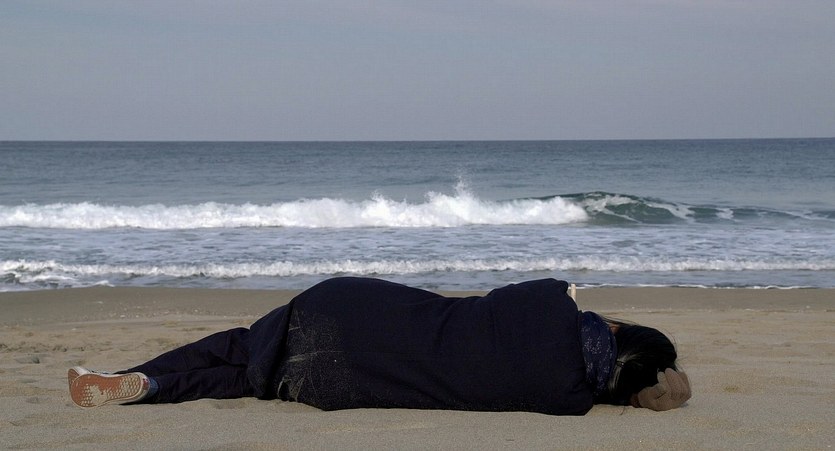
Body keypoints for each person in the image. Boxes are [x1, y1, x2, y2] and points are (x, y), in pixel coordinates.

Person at [68, 277, 691, 415]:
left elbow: (524, 300)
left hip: (348, 313)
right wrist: (643, 387)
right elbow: (605, 384)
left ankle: (137, 378)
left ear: (618, 330)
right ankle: (153, 388)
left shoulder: (552, 301)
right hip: (335, 384)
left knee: (242, 343)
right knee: (251, 379)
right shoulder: (569, 399)